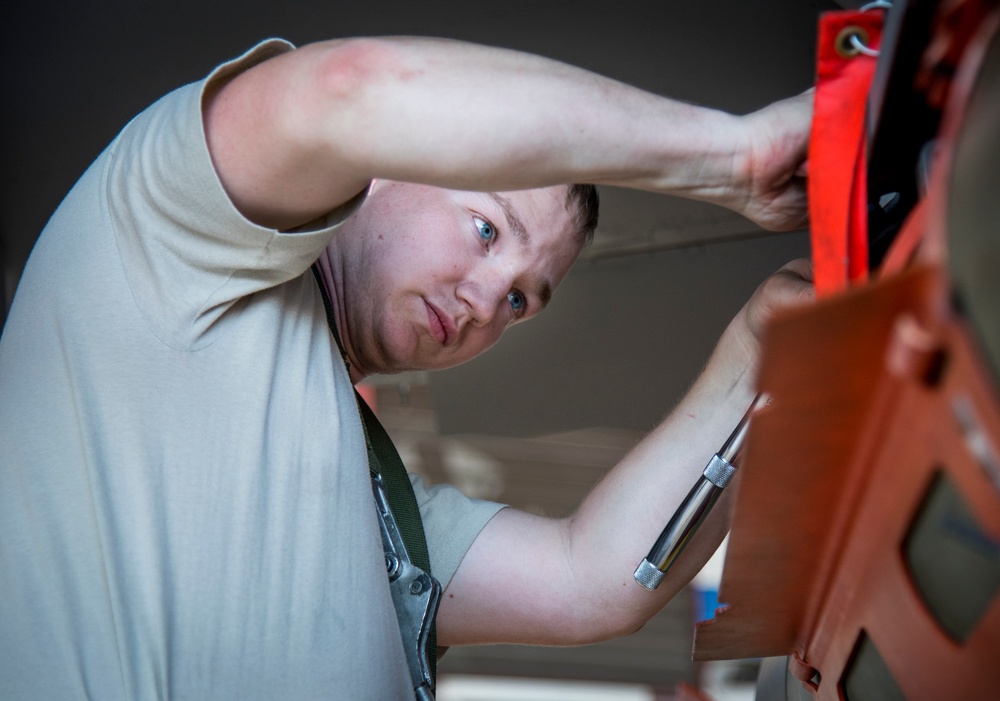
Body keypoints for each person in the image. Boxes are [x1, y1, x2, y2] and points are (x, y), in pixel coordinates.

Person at [0, 37, 813, 698]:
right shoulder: (169, 237)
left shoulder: (377, 503)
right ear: (389, 164)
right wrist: (733, 160)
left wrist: (761, 345)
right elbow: (350, 91)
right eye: (488, 231)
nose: (490, 301)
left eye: (525, 301)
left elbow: (589, 581)